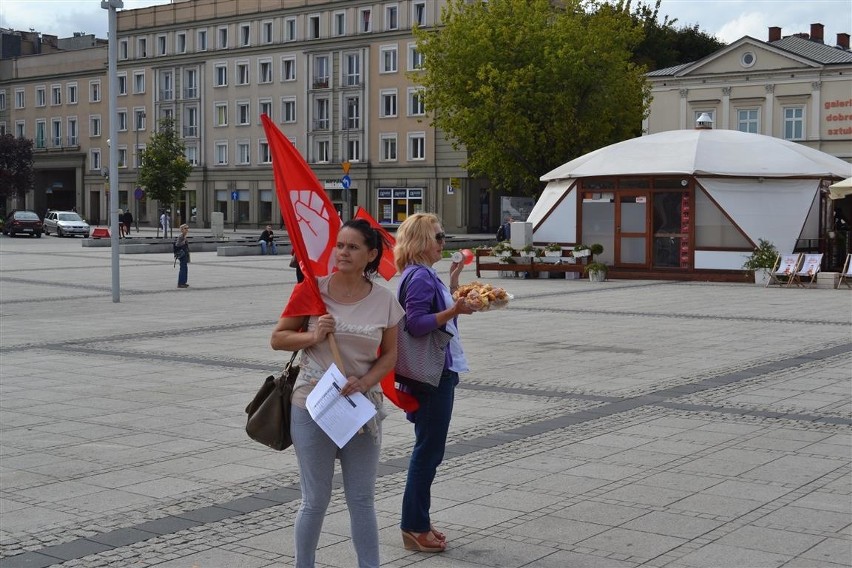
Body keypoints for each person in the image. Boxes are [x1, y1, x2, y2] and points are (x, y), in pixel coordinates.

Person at [270, 219, 404, 568]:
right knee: (315, 499)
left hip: (361, 409)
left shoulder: (385, 301)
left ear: (371, 254)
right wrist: (313, 336)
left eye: (353, 247)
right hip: (313, 405)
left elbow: (390, 354)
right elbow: (278, 338)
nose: (343, 252)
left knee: (361, 499)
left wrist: (365, 380)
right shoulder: (313, 291)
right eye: (340, 245)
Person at [394, 212, 475, 553]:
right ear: (421, 242)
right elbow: (416, 324)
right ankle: (414, 526)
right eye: (439, 237)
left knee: (427, 449)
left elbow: (432, 310)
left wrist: (454, 281)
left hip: (432, 372)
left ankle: (419, 521)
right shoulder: (421, 277)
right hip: (433, 374)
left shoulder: (420, 273)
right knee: (428, 452)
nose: (445, 243)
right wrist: (454, 311)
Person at [174, 224, 190, 288]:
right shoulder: (181, 236)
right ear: (182, 230)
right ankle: (180, 283)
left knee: (185, 268)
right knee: (183, 268)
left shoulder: (184, 236)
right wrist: (184, 241)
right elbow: (177, 244)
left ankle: (184, 282)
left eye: (187, 228)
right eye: (185, 228)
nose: (187, 230)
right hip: (182, 254)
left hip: (185, 254)